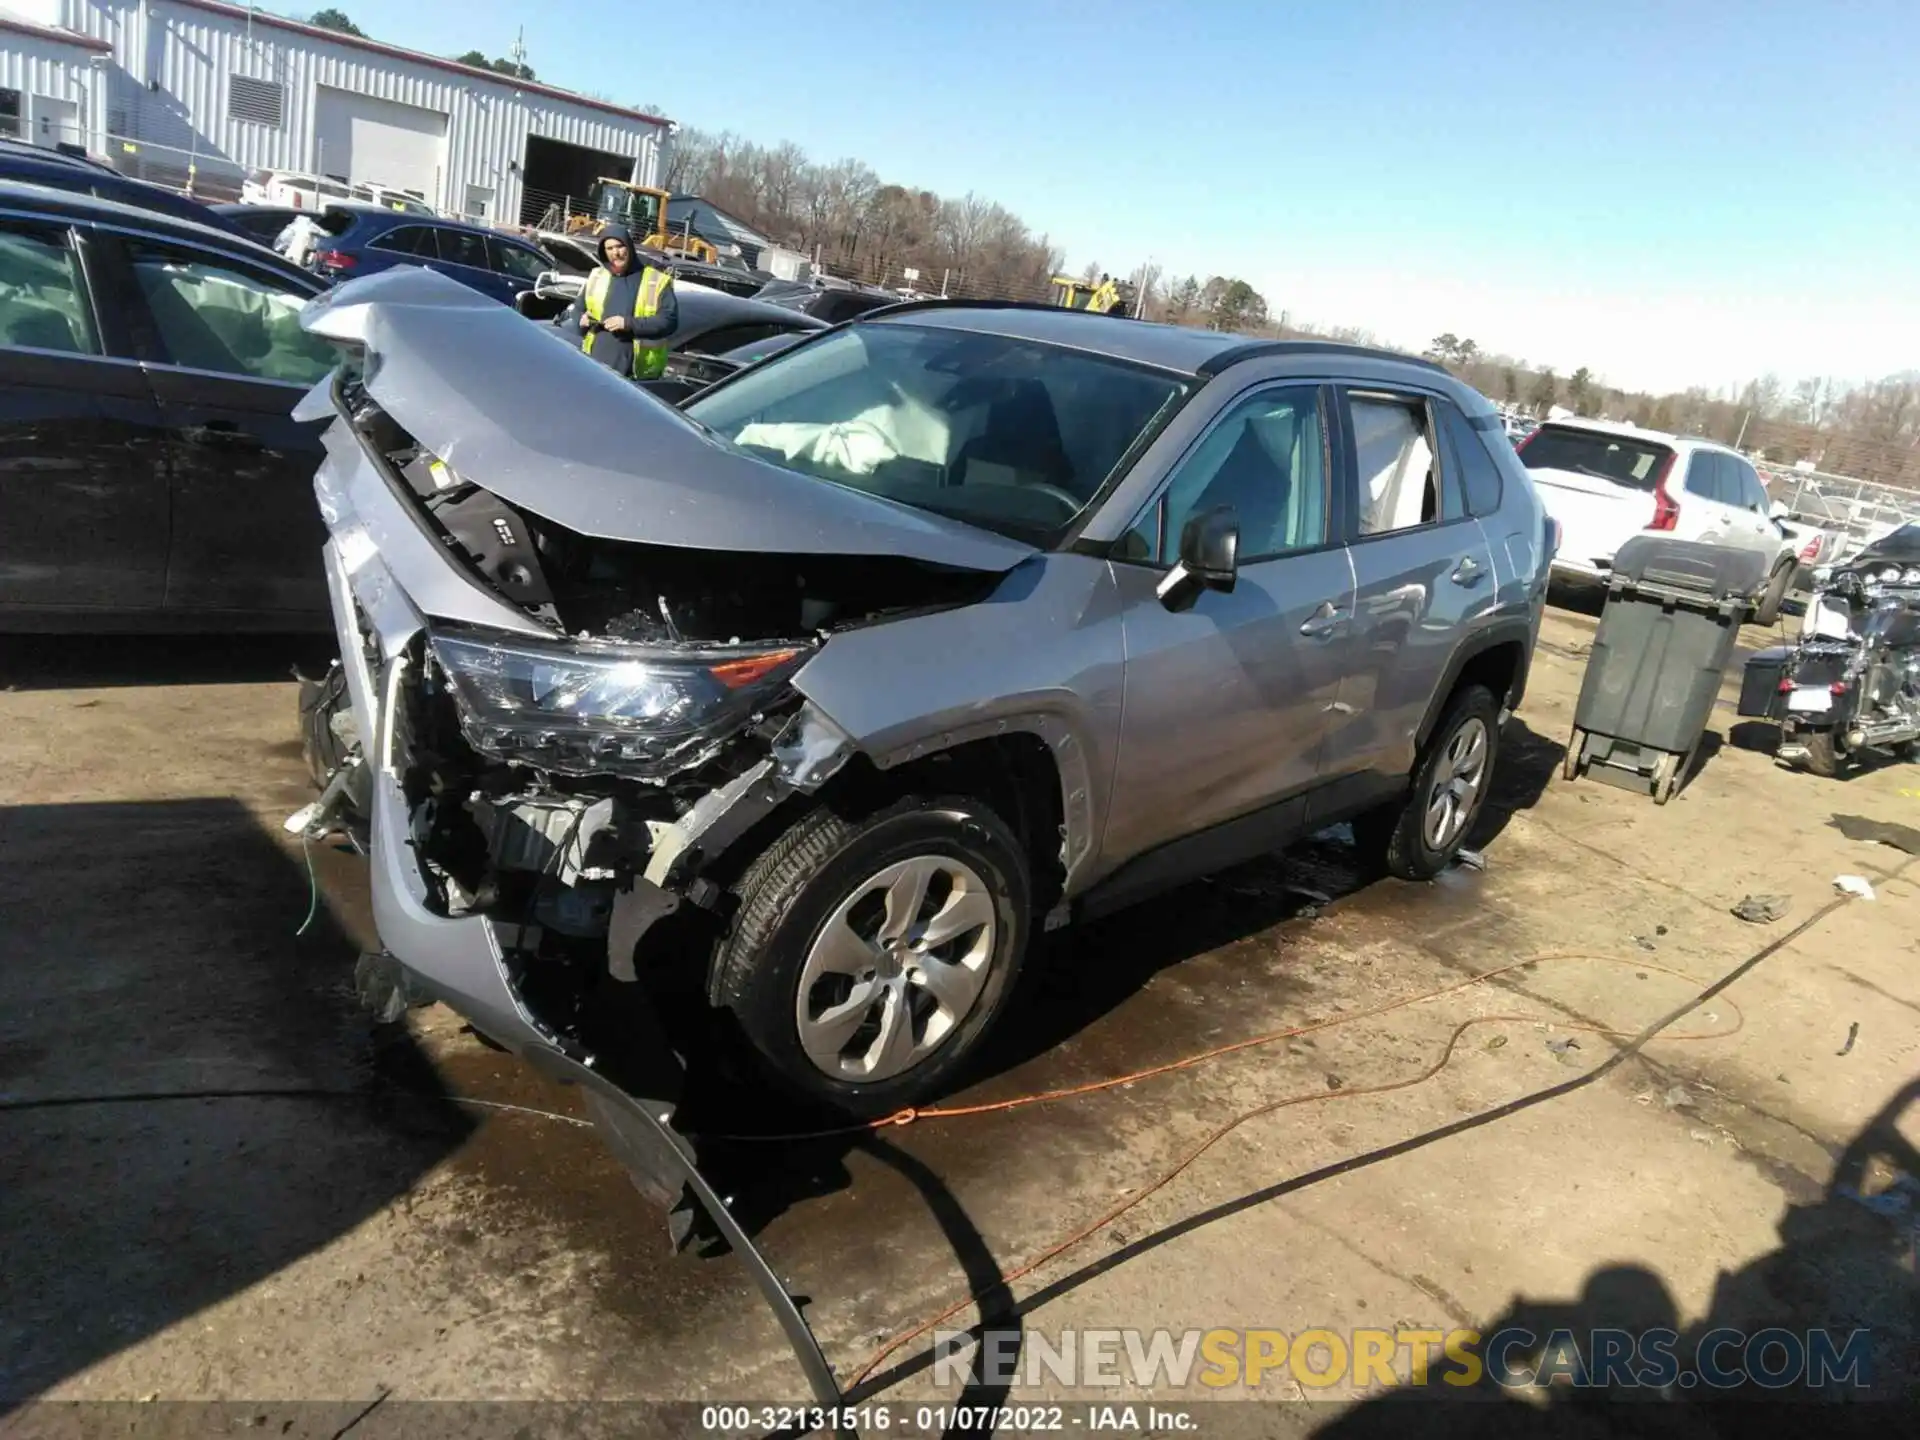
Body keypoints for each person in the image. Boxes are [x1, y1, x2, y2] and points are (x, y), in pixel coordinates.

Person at [564, 228, 678, 381]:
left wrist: (628, 323)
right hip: (594, 365)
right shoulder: (597, 276)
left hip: (636, 374)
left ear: (629, 247)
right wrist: (581, 320)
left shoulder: (656, 280)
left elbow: (669, 321)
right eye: (610, 248)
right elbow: (577, 309)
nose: (615, 253)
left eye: (619, 246)